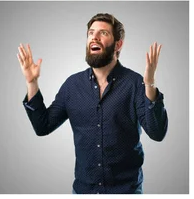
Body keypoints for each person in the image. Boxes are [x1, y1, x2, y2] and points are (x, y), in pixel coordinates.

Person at [18, 13, 167, 194]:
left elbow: (157, 132)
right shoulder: (72, 86)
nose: (94, 37)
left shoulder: (135, 83)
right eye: (90, 33)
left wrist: (149, 84)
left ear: (118, 44)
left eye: (103, 33)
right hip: (83, 191)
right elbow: (43, 126)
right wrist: (32, 83)